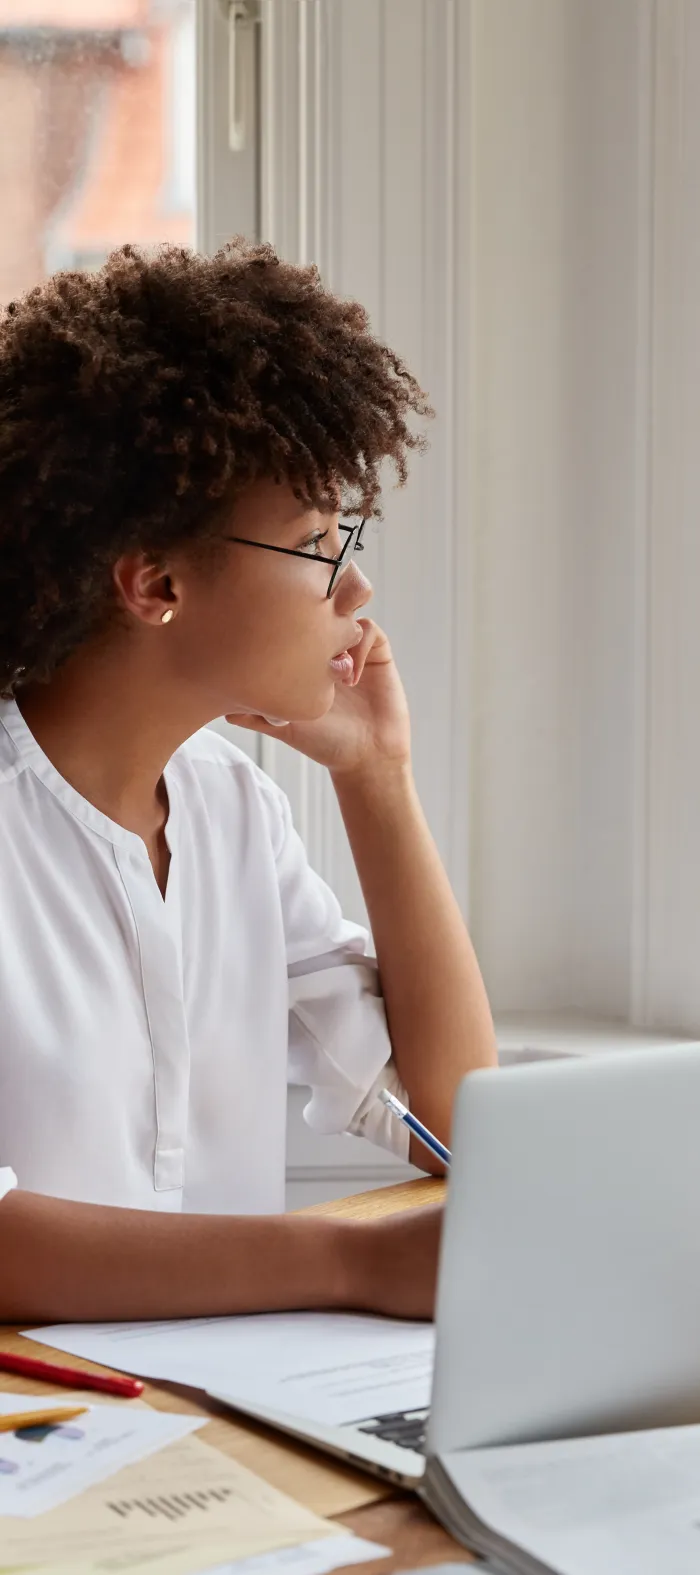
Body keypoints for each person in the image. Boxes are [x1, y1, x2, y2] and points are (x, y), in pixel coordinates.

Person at [0, 239, 496, 1326]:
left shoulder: (232, 810)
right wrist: (350, 1264)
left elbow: (457, 1120)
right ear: (155, 581)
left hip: (218, 1418)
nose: (356, 584)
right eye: (318, 542)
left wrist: (379, 779)